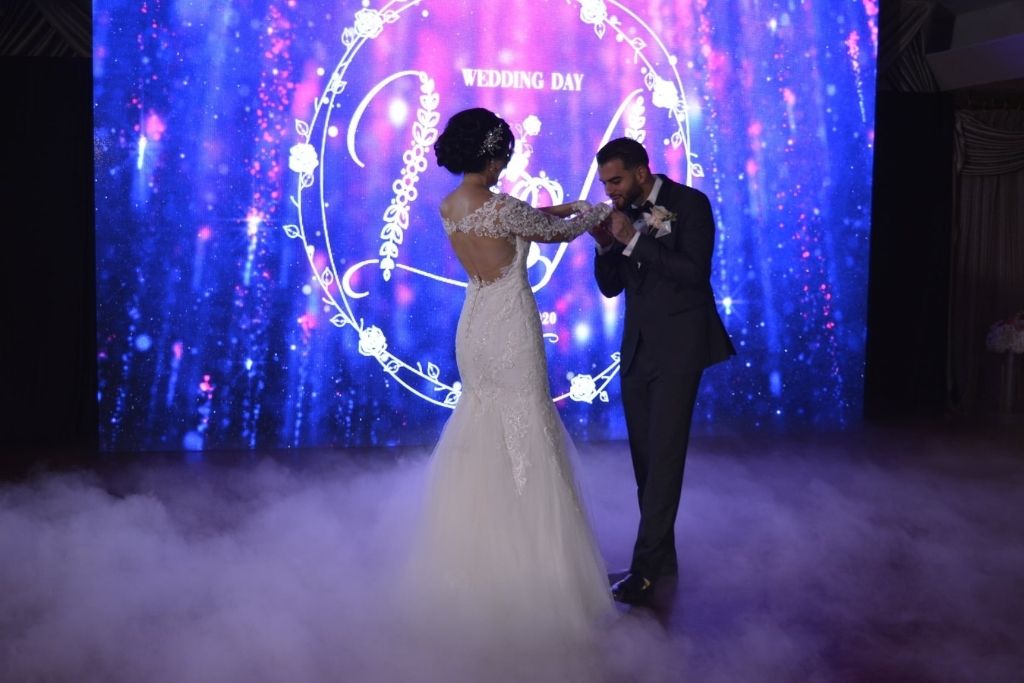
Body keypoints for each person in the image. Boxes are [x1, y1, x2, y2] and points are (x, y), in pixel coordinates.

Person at [405, 108, 620, 643]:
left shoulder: (451, 203)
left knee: (481, 428)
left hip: (473, 327)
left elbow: (526, 219)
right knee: (530, 432)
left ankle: (475, 566)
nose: (505, 165)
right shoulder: (501, 206)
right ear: (492, 153)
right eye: (503, 155)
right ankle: (539, 577)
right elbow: (551, 233)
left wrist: (564, 208)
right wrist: (593, 214)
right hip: (509, 327)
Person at [590, 137, 735, 605]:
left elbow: (693, 272)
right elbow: (611, 290)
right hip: (637, 352)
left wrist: (632, 239)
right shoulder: (622, 213)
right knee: (646, 465)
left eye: (616, 180)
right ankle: (662, 561)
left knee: (666, 460)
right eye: (605, 183)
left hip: (679, 350)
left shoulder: (690, 203)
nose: (610, 191)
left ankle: (646, 570)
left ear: (640, 170)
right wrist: (604, 248)